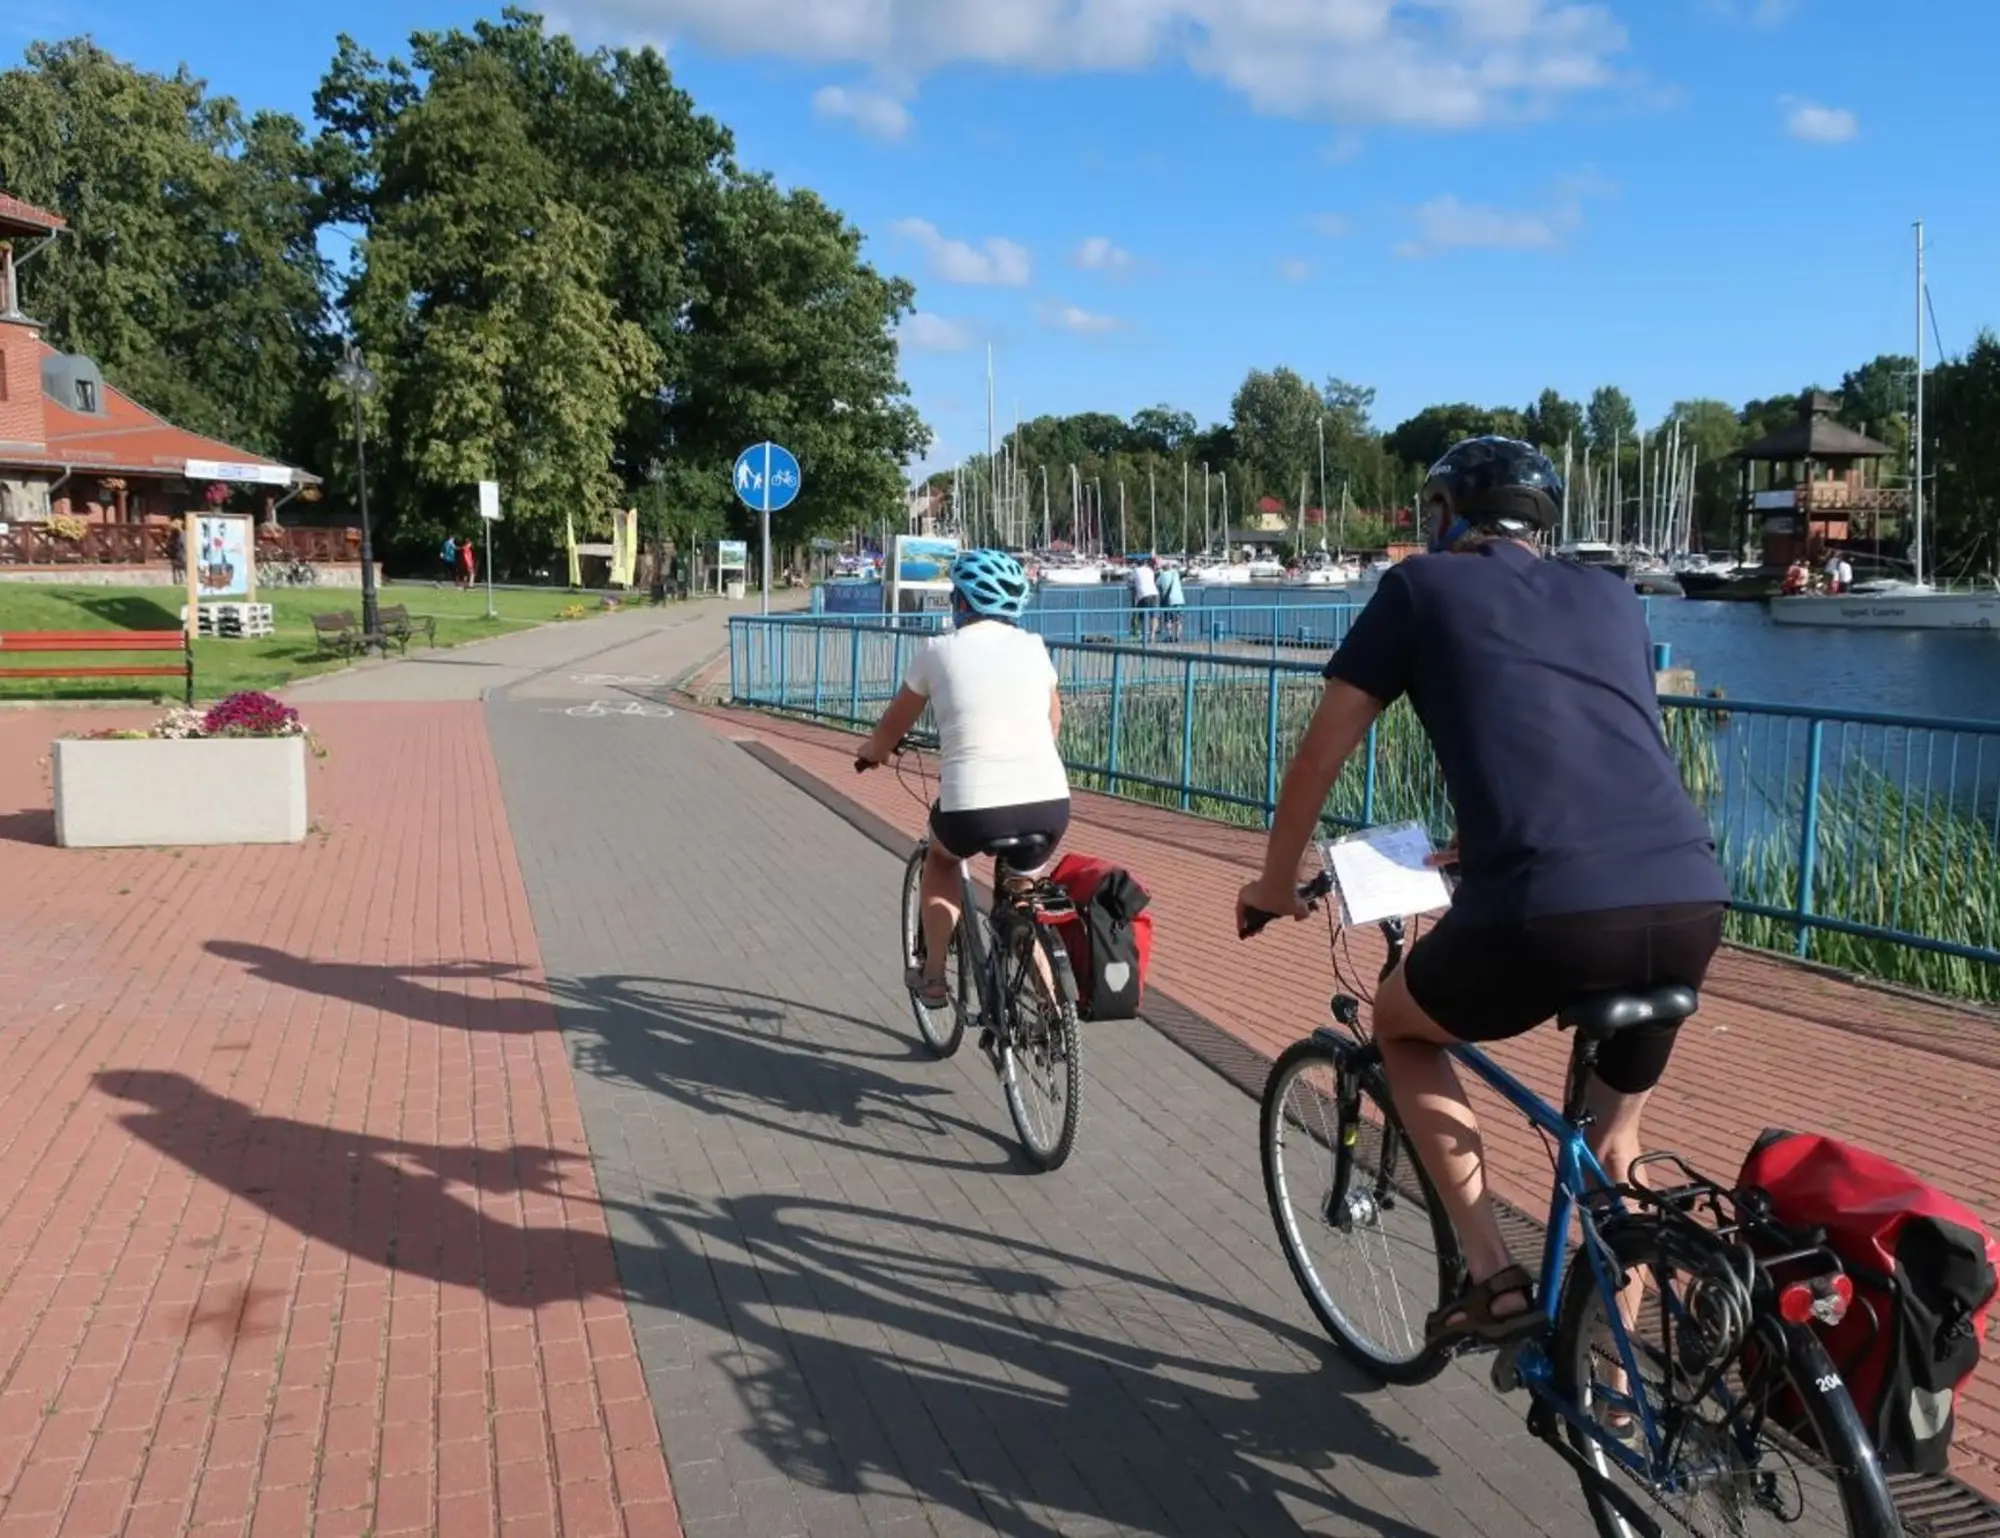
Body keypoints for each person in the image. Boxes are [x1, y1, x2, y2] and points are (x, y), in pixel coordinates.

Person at [1235, 435, 1727, 1347]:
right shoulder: (1611, 594)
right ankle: (1615, 1400)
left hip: (1552, 907)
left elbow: (1317, 756)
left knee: (1400, 1025)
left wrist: (1272, 884)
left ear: (1442, 516)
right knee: (1613, 1149)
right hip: (1687, 894)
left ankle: (1494, 1277)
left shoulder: (1419, 588)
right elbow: (1604, 745)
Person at [856, 549, 1070, 1014]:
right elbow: (1052, 724)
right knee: (1021, 893)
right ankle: (1054, 1010)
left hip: (973, 807)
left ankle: (933, 978)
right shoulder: (1035, 648)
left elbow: (891, 728)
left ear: (961, 602)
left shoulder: (938, 651)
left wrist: (873, 753)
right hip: (1049, 801)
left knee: (942, 860)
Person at [1129, 555, 1160, 640]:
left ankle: (1143, 635)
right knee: (1154, 616)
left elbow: (1129, 582)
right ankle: (1152, 636)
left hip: (1143, 595)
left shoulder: (1135, 571)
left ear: (1137, 563)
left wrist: (1133, 586)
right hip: (1154, 593)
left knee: (1142, 616)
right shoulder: (1150, 570)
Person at [1156, 558, 1186, 641]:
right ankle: (1177, 636)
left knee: (1168, 619)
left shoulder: (1162, 575)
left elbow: (1157, 584)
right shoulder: (1175, 573)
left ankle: (1169, 636)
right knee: (1178, 618)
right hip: (1179, 599)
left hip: (1169, 600)